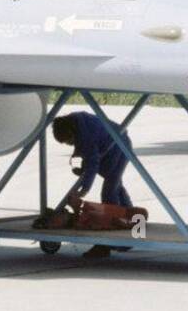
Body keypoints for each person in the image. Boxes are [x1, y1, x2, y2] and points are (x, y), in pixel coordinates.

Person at [52, 111, 132, 260]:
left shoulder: (84, 133)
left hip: (119, 147)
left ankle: (111, 238)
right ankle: (132, 221)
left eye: (69, 141)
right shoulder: (78, 123)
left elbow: (93, 162)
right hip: (113, 146)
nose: (69, 144)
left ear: (71, 131)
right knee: (116, 188)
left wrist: (84, 190)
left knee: (109, 191)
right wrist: (84, 169)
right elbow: (90, 155)